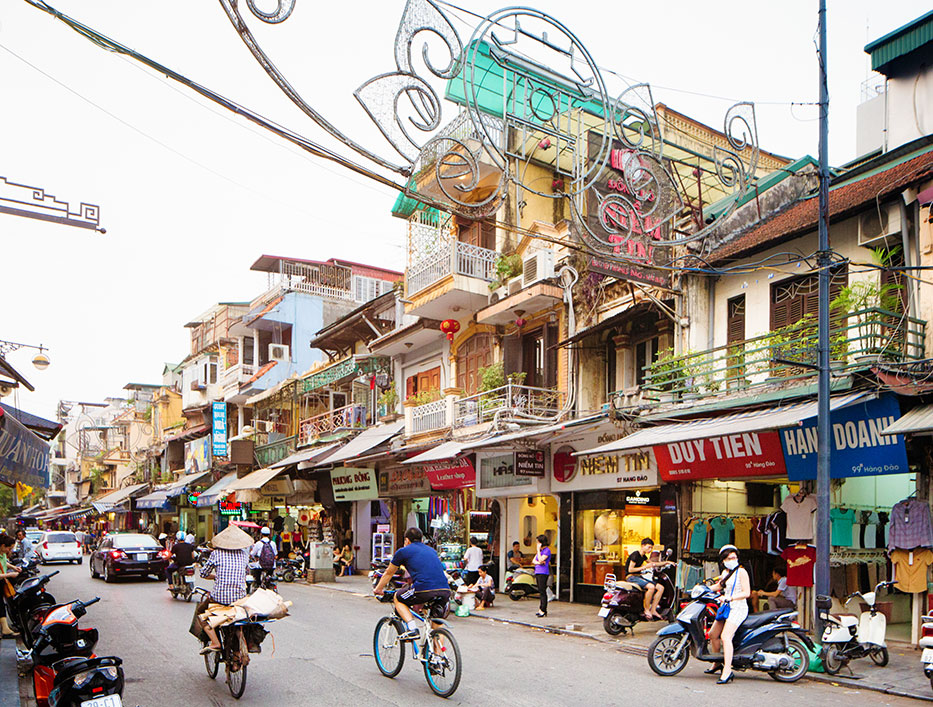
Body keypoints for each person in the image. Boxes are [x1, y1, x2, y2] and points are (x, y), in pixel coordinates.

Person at [373, 527, 450, 641]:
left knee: (398, 597)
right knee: (436, 624)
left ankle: (412, 629)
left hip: (423, 588)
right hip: (445, 590)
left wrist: (378, 589)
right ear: (422, 540)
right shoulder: (432, 551)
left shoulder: (403, 551)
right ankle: (438, 656)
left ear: (407, 540)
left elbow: (389, 573)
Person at [198, 524, 252, 654]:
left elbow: (203, 573)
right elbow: (246, 572)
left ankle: (215, 642)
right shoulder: (244, 555)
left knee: (201, 616)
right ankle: (240, 645)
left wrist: (215, 576)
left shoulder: (216, 554)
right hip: (239, 598)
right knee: (239, 622)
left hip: (219, 598)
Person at [706, 545, 751, 684]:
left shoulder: (742, 572)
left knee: (726, 637)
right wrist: (701, 589)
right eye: (729, 558)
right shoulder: (726, 572)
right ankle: (716, 663)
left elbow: (746, 593)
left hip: (738, 608)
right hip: (726, 608)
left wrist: (730, 598)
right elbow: (719, 586)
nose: (733, 560)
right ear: (723, 560)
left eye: (734, 557)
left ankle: (727, 670)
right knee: (713, 634)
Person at [625, 538, 674, 620]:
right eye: (649, 547)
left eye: (651, 548)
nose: (650, 550)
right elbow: (630, 570)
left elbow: (653, 564)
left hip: (638, 577)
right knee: (651, 587)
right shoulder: (635, 555)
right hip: (631, 577)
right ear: (643, 546)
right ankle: (646, 609)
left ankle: (653, 610)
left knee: (661, 588)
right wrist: (644, 567)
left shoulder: (643, 556)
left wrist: (666, 562)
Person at [0, 534, 21, 638]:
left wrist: (13, 567)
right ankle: (5, 629)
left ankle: (5, 629)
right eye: (9, 548)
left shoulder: (2, 554)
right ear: (3, 546)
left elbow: (4, 563)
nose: (10, 550)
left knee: (1, 606)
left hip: (1, 581)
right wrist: (9, 575)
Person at [532, 534, 551, 618]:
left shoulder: (547, 551)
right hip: (538, 571)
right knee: (540, 590)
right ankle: (541, 609)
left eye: (538, 542)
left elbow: (540, 559)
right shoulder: (540, 551)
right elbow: (534, 561)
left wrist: (538, 552)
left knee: (542, 591)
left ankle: (543, 609)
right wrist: (539, 562)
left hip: (543, 572)